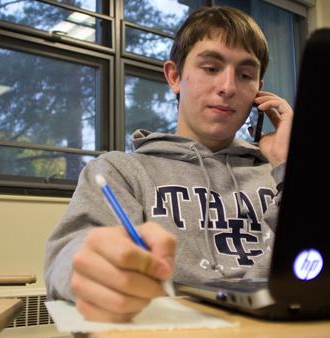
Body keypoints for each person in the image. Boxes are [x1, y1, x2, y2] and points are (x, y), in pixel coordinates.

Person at [44, 6, 293, 322]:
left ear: (259, 91)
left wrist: (287, 167)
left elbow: (329, 262)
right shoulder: (120, 171)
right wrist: (87, 267)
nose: (228, 86)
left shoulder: (278, 173)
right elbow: (66, 256)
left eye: (245, 75)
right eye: (211, 67)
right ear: (175, 76)